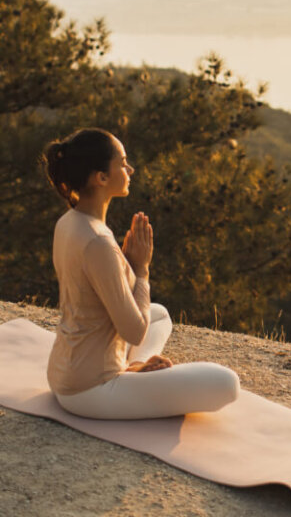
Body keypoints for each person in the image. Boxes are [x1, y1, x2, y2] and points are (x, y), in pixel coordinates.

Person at [41, 127, 240, 419]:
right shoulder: (98, 241)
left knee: (158, 313)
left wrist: (126, 266)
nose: (130, 168)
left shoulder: (69, 222)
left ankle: (139, 365)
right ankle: (136, 374)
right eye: (122, 163)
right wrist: (141, 269)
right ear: (101, 178)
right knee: (226, 384)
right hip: (92, 390)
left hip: (63, 374)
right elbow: (133, 330)